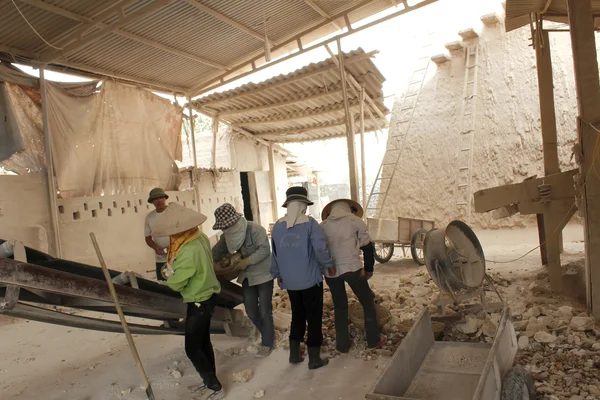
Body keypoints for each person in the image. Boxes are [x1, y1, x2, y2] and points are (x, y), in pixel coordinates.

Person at [151, 203, 223, 400]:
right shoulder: (199, 236)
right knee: (203, 341)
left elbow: (177, 283)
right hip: (208, 295)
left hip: (198, 299)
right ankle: (211, 381)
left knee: (192, 348)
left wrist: (168, 275)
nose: (171, 237)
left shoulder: (189, 250)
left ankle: (214, 386)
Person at [270, 186, 335, 370]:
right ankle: (314, 359)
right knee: (313, 317)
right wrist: (328, 264)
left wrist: (278, 274)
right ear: (303, 205)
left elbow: (274, 253)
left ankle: (294, 354)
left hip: (290, 281)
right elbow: (320, 249)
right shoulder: (310, 224)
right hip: (310, 280)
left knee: (297, 315)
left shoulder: (278, 226)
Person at [321, 199, 386, 352]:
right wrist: (369, 269)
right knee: (367, 301)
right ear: (349, 209)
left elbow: (319, 249)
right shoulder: (355, 221)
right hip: (352, 269)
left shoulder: (322, 226)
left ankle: (342, 345)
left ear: (330, 211)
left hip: (331, 272)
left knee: (340, 306)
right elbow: (367, 247)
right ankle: (373, 340)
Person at [211, 203, 274, 357]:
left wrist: (247, 261)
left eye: (229, 225)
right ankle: (267, 332)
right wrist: (220, 261)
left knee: (265, 310)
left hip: (264, 274)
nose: (227, 229)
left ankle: (267, 342)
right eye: (224, 227)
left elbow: (265, 250)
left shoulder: (255, 230)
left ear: (236, 221)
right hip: (246, 276)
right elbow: (215, 252)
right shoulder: (227, 237)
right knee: (251, 310)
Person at [144, 188, 170, 281]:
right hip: (161, 259)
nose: (159, 201)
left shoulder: (173, 212)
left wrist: (174, 244)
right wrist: (156, 247)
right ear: (152, 202)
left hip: (178, 256)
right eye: (156, 199)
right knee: (163, 283)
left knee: (180, 283)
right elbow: (148, 238)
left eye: (161, 198)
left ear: (165, 198)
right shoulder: (149, 217)